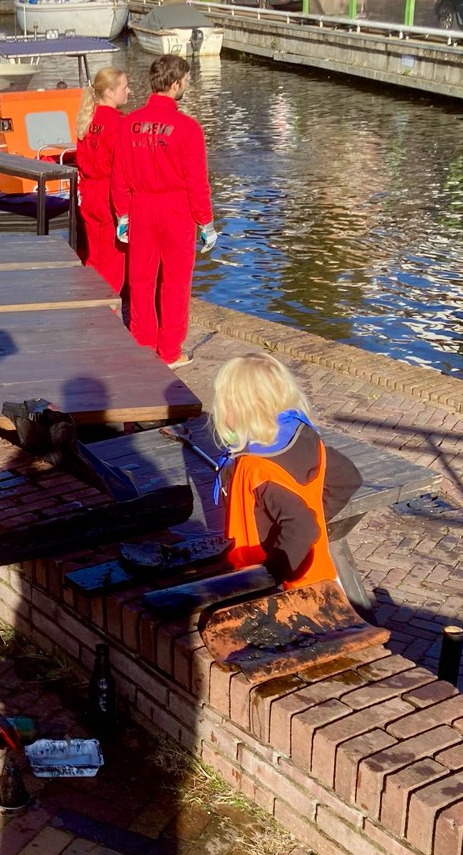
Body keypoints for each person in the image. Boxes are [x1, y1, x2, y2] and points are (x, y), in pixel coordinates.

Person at [211, 353, 361, 589]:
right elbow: (348, 478)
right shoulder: (306, 438)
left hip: (281, 587)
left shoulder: (256, 467)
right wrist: (317, 513)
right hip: (319, 574)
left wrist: (274, 572)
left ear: (238, 408)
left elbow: (302, 524)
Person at [111, 54, 218, 369]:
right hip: (175, 210)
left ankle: (142, 342)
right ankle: (169, 350)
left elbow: (119, 176)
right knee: (175, 282)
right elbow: (196, 181)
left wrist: (123, 215)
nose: (186, 85)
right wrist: (206, 223)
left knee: (140, 280)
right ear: (175, 84)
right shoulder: (187, 128)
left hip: (141, 207)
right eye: (185, 81)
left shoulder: (128, 124)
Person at [74, 66, 129, 295]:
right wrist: (124, 211)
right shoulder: (118, 124)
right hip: (109, 196)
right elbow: (123, 169)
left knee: (94, 258)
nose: (129, 91)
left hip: (89, 194)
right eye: (125, 87)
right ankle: (106, 316)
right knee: (113, 264)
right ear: (109, 92)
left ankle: (89, 304)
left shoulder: (87, 119)